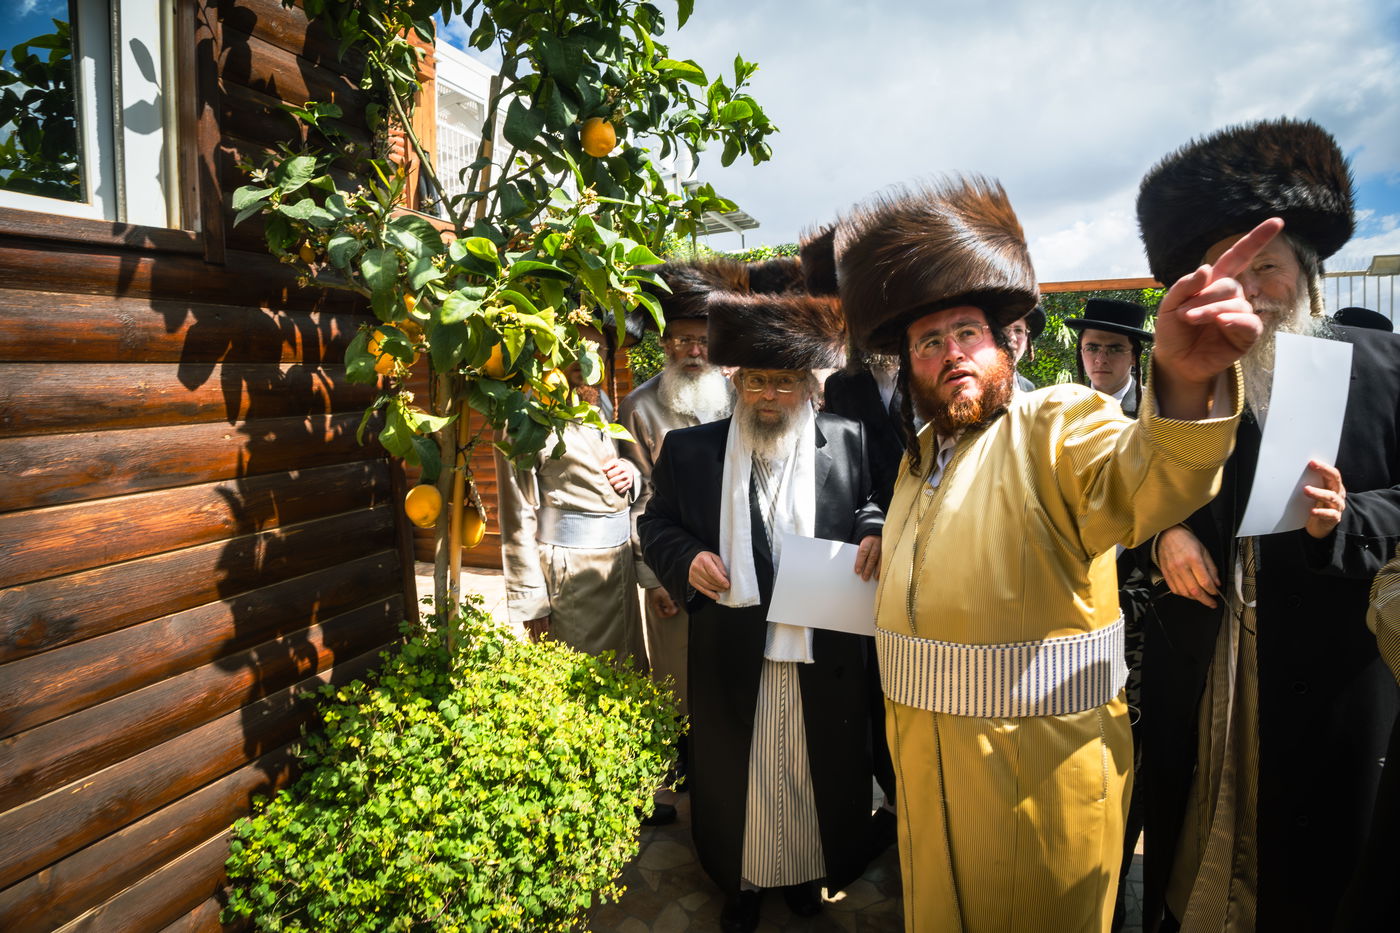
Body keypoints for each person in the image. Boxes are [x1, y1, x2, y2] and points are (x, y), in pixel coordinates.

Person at [835, 174, 1268, 933]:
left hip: (1038, 785)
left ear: (1004, 343)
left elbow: (1144, 478)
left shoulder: (1056, 423)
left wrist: (1184, 383)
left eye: (966, 332)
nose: (951, 353)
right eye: (929, 342)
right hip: (927, 785)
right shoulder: (914, 463)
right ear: (909, 365)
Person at [1133, 117, 1400, 933]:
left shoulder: (1386, 369)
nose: (1248, 290)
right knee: (1197, 851)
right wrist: (1163, 533)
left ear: (1310, 278)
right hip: (1209, 659)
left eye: (1268, 268)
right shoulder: (1187, 375)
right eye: (1230, 270)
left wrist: (1349, 518)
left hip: (1329, 665)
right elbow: (1131, 493)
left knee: (1315, 873)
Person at [638, 259, 884, 933]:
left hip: (820, 642)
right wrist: (686, 559)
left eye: (784, 381)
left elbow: (869, 501)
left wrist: (871, 529)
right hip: (732, 640)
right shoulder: (690, 451)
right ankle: (741, 881)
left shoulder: (847, 440)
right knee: (741, 770)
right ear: (736, 381)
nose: (769, 396)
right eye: (755, 381)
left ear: (808, 385)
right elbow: (655, 524)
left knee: (810, 762)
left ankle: (805, 872)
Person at [618, 260, 738, 782]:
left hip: (736, 558)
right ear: (664, 344)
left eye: (703, 341)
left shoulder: (741, 395)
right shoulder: (639, 406)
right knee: (676, 670)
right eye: (682, 340)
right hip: (670, 561)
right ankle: (683, 761)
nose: (693, 351)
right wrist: (655, 577)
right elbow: (640, 499)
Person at [1064, 299, 1153, 415]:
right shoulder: (1062, 408)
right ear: (1081, 353)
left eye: (1114, 350)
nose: (1101, 360)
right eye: (1092, 349)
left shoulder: (1158, 411)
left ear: (1134, 356)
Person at [1006, 305, 1046, 391]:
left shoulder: (1028, 388)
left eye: (1018, 330)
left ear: (1027, 341)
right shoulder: (976, 382)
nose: (1012, 337)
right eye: (1004, 329)